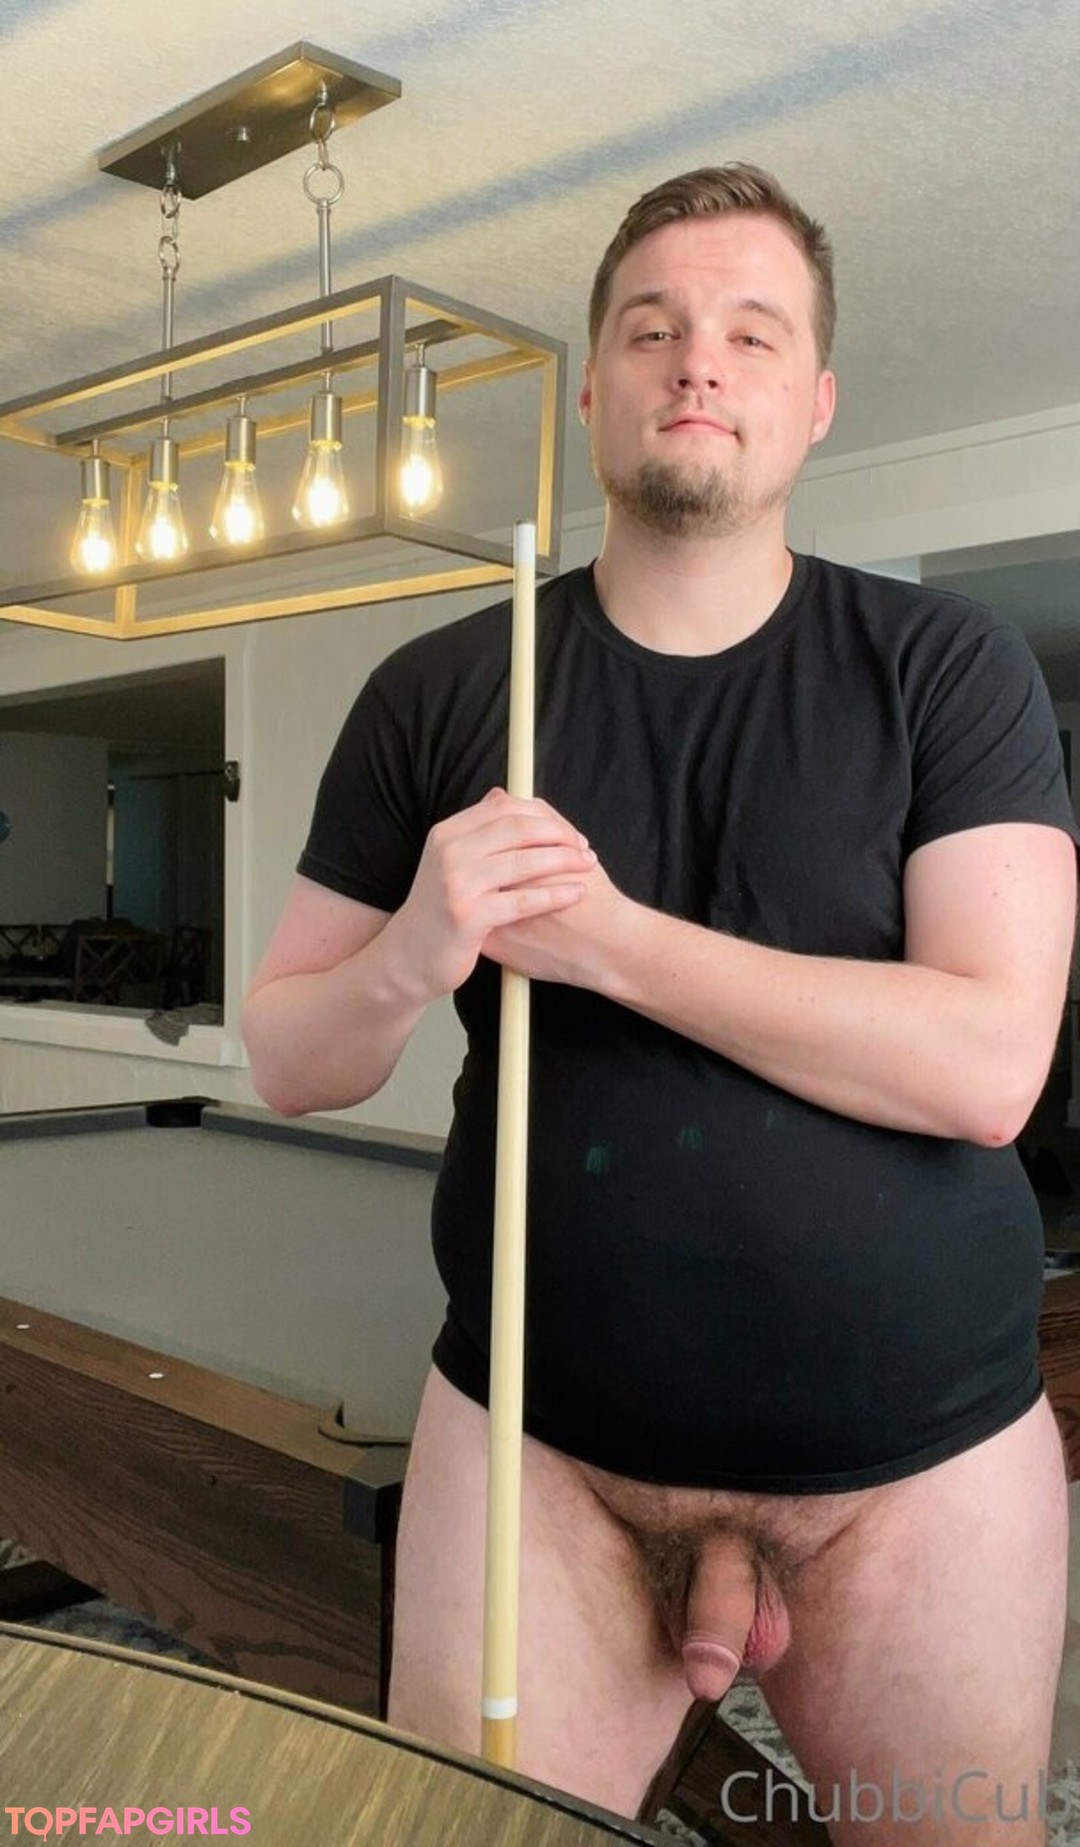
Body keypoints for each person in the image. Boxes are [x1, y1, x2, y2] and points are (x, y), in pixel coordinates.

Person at [242, 163, 1078, 1843]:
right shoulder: (443, 691)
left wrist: (611, 941)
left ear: (816, 400)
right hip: (541, 1453)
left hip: (917, 1466)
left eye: (753, 333)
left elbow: (989, 1064)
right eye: (653, 328)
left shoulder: (947, 669)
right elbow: (286, 1056)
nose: (700, 359)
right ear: (590, 391)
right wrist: (417, 945)